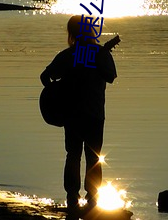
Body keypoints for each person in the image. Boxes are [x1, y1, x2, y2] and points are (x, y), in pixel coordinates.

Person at [40, 15, 117, 214]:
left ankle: (72, 198)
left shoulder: (68, 55)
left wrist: (56, 92)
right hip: (94, 114)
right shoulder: (99, 53)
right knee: (93, 157)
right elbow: (110, 77)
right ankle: (92, 200)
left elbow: (44, 76)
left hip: (73, 114)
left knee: (73, 155)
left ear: (72, 33)